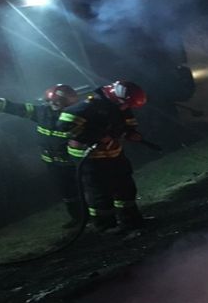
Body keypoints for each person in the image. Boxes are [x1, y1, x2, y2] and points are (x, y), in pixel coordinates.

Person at [56, 79, 148, 233]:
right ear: (115, 97)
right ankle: (105, 226)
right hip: (91, 160)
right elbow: (65, 125)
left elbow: (128, 120)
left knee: (125, 188)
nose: (126, 107)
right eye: (125, 104)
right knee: (100, 194)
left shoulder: (119, 105)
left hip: (114, 155)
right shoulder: (88, 106)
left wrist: (131, 133)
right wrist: (98, 137)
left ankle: (131, 221)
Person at [0, 84, 85, 227]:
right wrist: (1, 104)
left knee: (88, 189)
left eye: (56, 102)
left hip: (74, 163)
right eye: (49, 102)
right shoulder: (42, 112)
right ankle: (77, 218)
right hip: (53, 163)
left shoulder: (79, 116)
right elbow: (18, 109)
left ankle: (98, 217)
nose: (52, 105)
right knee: (67, 193)